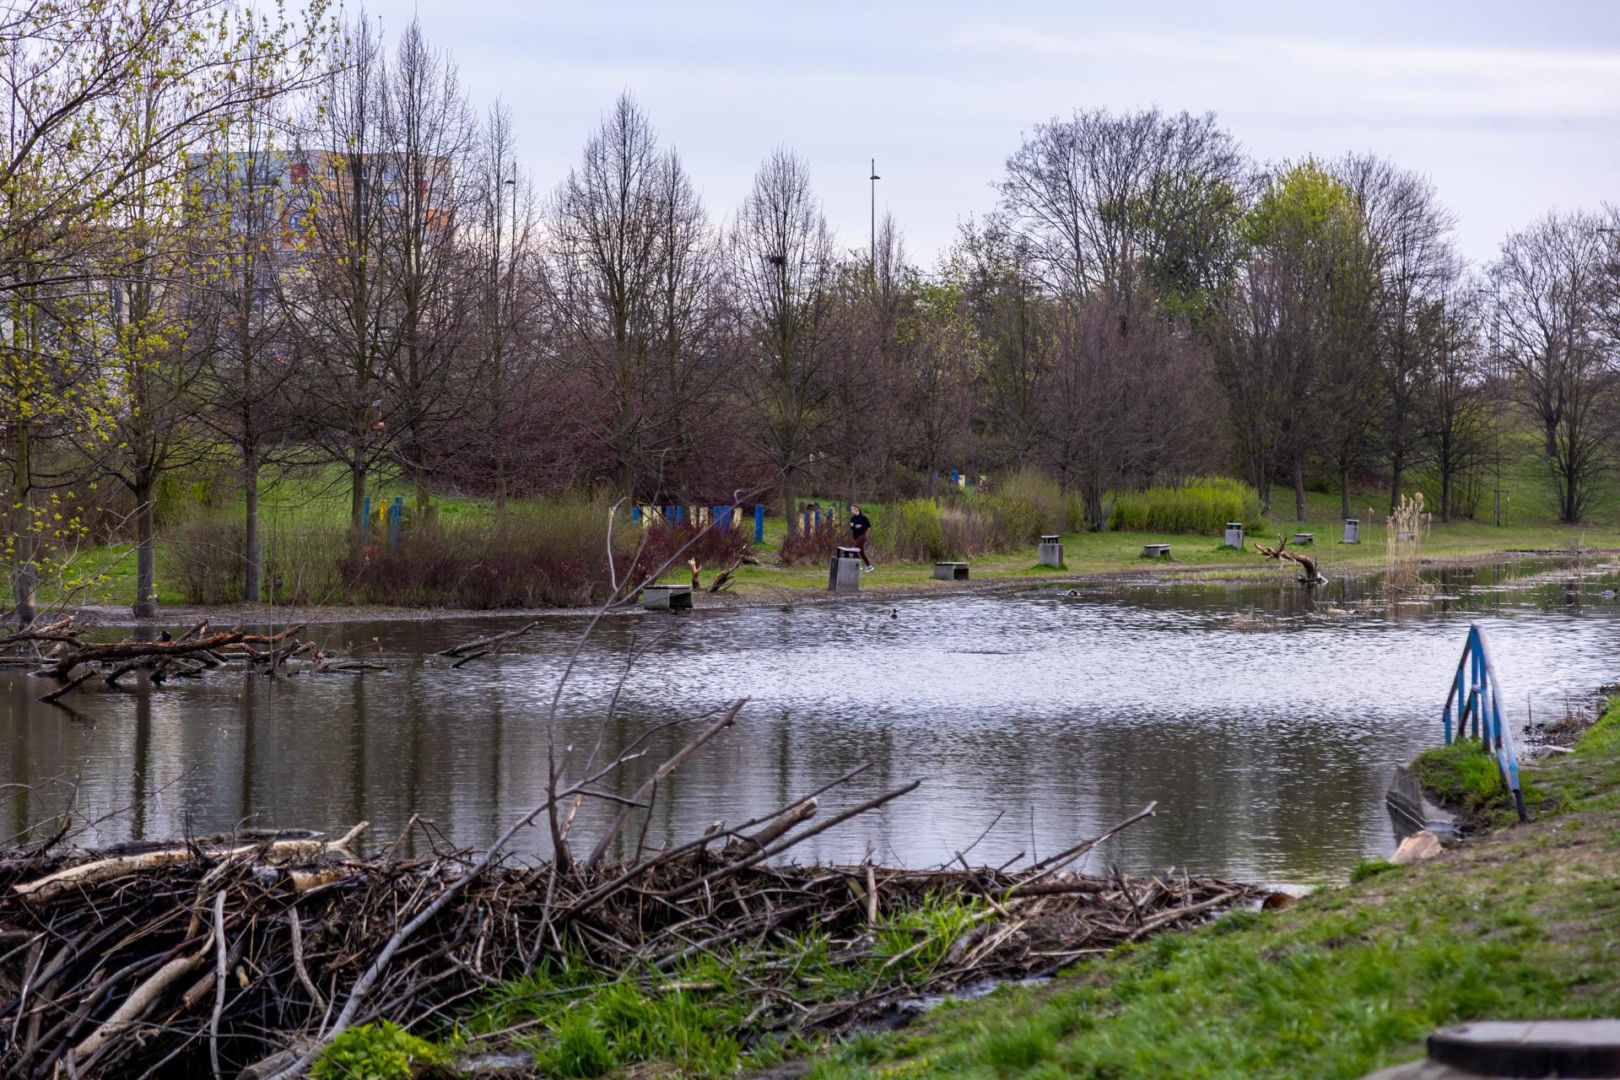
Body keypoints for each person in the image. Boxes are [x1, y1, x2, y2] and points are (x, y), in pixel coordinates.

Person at [848, 503, 874, 572]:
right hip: (856, 537)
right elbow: (852, 528)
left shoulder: (863, 517)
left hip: (863, 535)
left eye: (852, 509)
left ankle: (859, 565)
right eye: (851, 509)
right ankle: (869, 566)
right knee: (862, 553)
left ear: (856, 509)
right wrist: (852, 526)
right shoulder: (852, 518)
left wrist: (861, 526)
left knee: (853, 549)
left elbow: (868, 525)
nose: (851, 511)